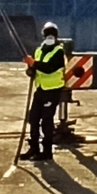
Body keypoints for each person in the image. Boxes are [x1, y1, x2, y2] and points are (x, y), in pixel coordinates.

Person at [21, 23, 67, 162]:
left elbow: (49, 68)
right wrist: (30, 69)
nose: (49, 38)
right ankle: (34, 147)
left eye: (52, 35)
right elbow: (36, 69)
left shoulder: (59, 51)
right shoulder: (39, 50)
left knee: (46, 121)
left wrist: (34, 63)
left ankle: (47, 151)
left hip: (52, 90)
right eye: (47, 35)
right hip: (40, 88)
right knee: (33, 118)